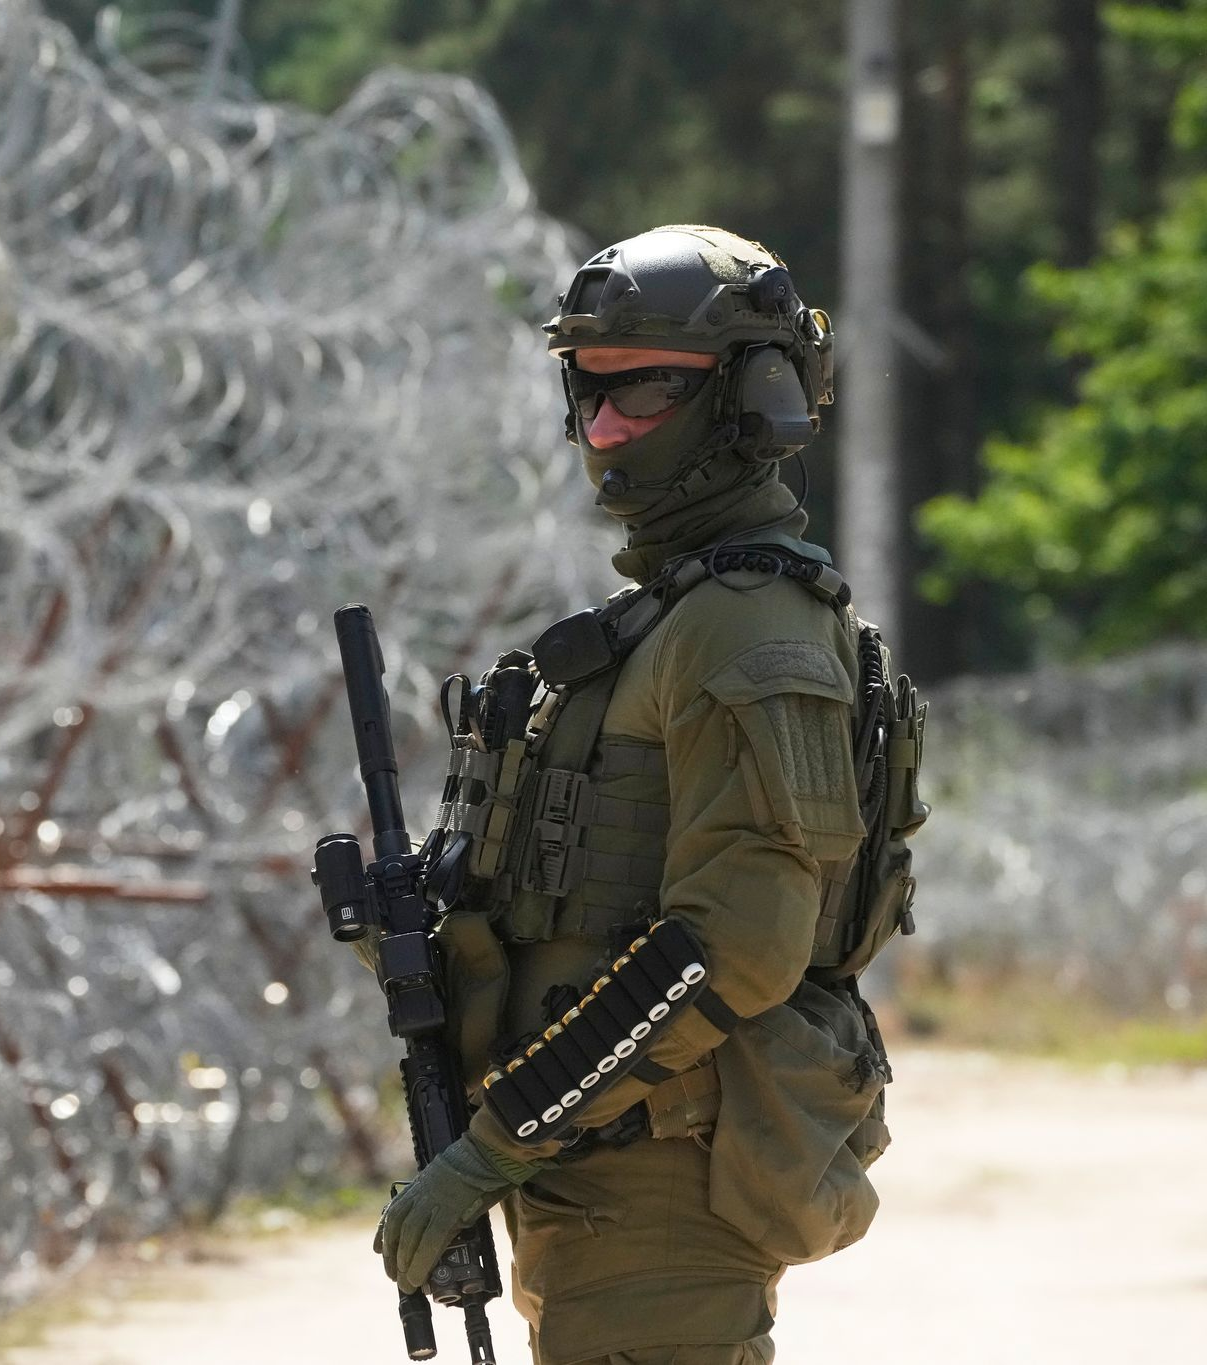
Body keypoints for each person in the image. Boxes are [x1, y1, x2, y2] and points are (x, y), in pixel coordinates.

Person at [374, 225, 924, 1364]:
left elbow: (733, 947)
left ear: (754, 403)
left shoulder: (744, 629)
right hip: (596, 1167)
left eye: (647, 394)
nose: (607, 430)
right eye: (589, 394)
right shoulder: (663, 621)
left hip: (661, 1180)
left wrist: (495, 1140)